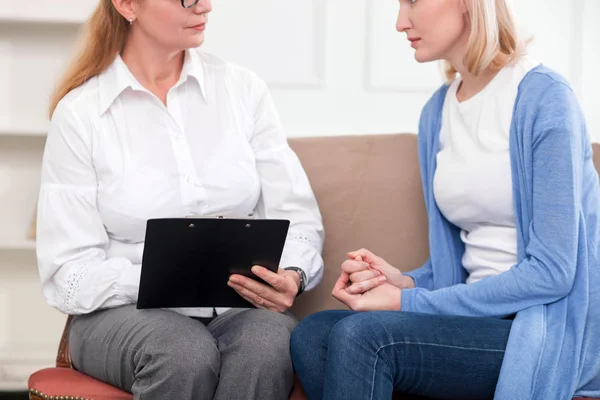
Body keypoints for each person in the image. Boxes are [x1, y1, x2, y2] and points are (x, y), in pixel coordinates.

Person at [290, 0, 600, 399]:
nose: (401, 22)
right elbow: (462, 264)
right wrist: (404, 282)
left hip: (538, 328)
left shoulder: (543, 98)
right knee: (313, 333)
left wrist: (408, 300)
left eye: (413, 1)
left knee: (363, 336)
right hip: (472, 319)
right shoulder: (438, 111)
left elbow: (553, 273)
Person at [36, 0, 324, 399]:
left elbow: (297, 218)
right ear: (127, 5)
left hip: (237, 306)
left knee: (268, 343)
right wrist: (163, 277)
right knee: (182, 350)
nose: (204, 5)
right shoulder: (81, 113)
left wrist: (292, 273)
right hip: (121, 315)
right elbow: (67, 273)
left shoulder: (242, 89)